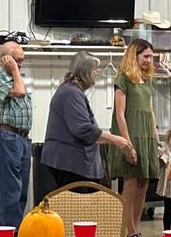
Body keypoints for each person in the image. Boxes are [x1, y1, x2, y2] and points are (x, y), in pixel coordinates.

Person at [41, 52, 133, 188]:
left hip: (72, 163)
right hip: (70, 163)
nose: (98, 72)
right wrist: (116, 140)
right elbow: (83, 129)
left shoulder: (72, 91)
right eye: (95, 69)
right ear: (85, 71)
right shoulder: (71, 93)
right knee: (78, 200)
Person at [107, 39, 160, 237]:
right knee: (130, 182)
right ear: (134, 56)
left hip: (146, 135)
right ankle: (128, 230)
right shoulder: (123, 79)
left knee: (143, 183)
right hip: (130, 134)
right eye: (145, 56)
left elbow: (150, 111)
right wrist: (127, 144)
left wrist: (155, 138)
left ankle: (136, 229)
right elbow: (120, 114)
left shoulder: (147, 80)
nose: (149, 60)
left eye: (151, 57)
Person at [0, 41, 32, 228]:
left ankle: (14, 229)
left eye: (22, 61)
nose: (20, 64)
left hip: (22, 137)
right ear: (5, 59)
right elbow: (20, 93)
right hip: (6, 135)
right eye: (16, 60)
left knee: (22, 191)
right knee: (10, 190)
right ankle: (11, 234)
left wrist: (15, 72)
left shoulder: (16, 77)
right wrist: (13, 70)